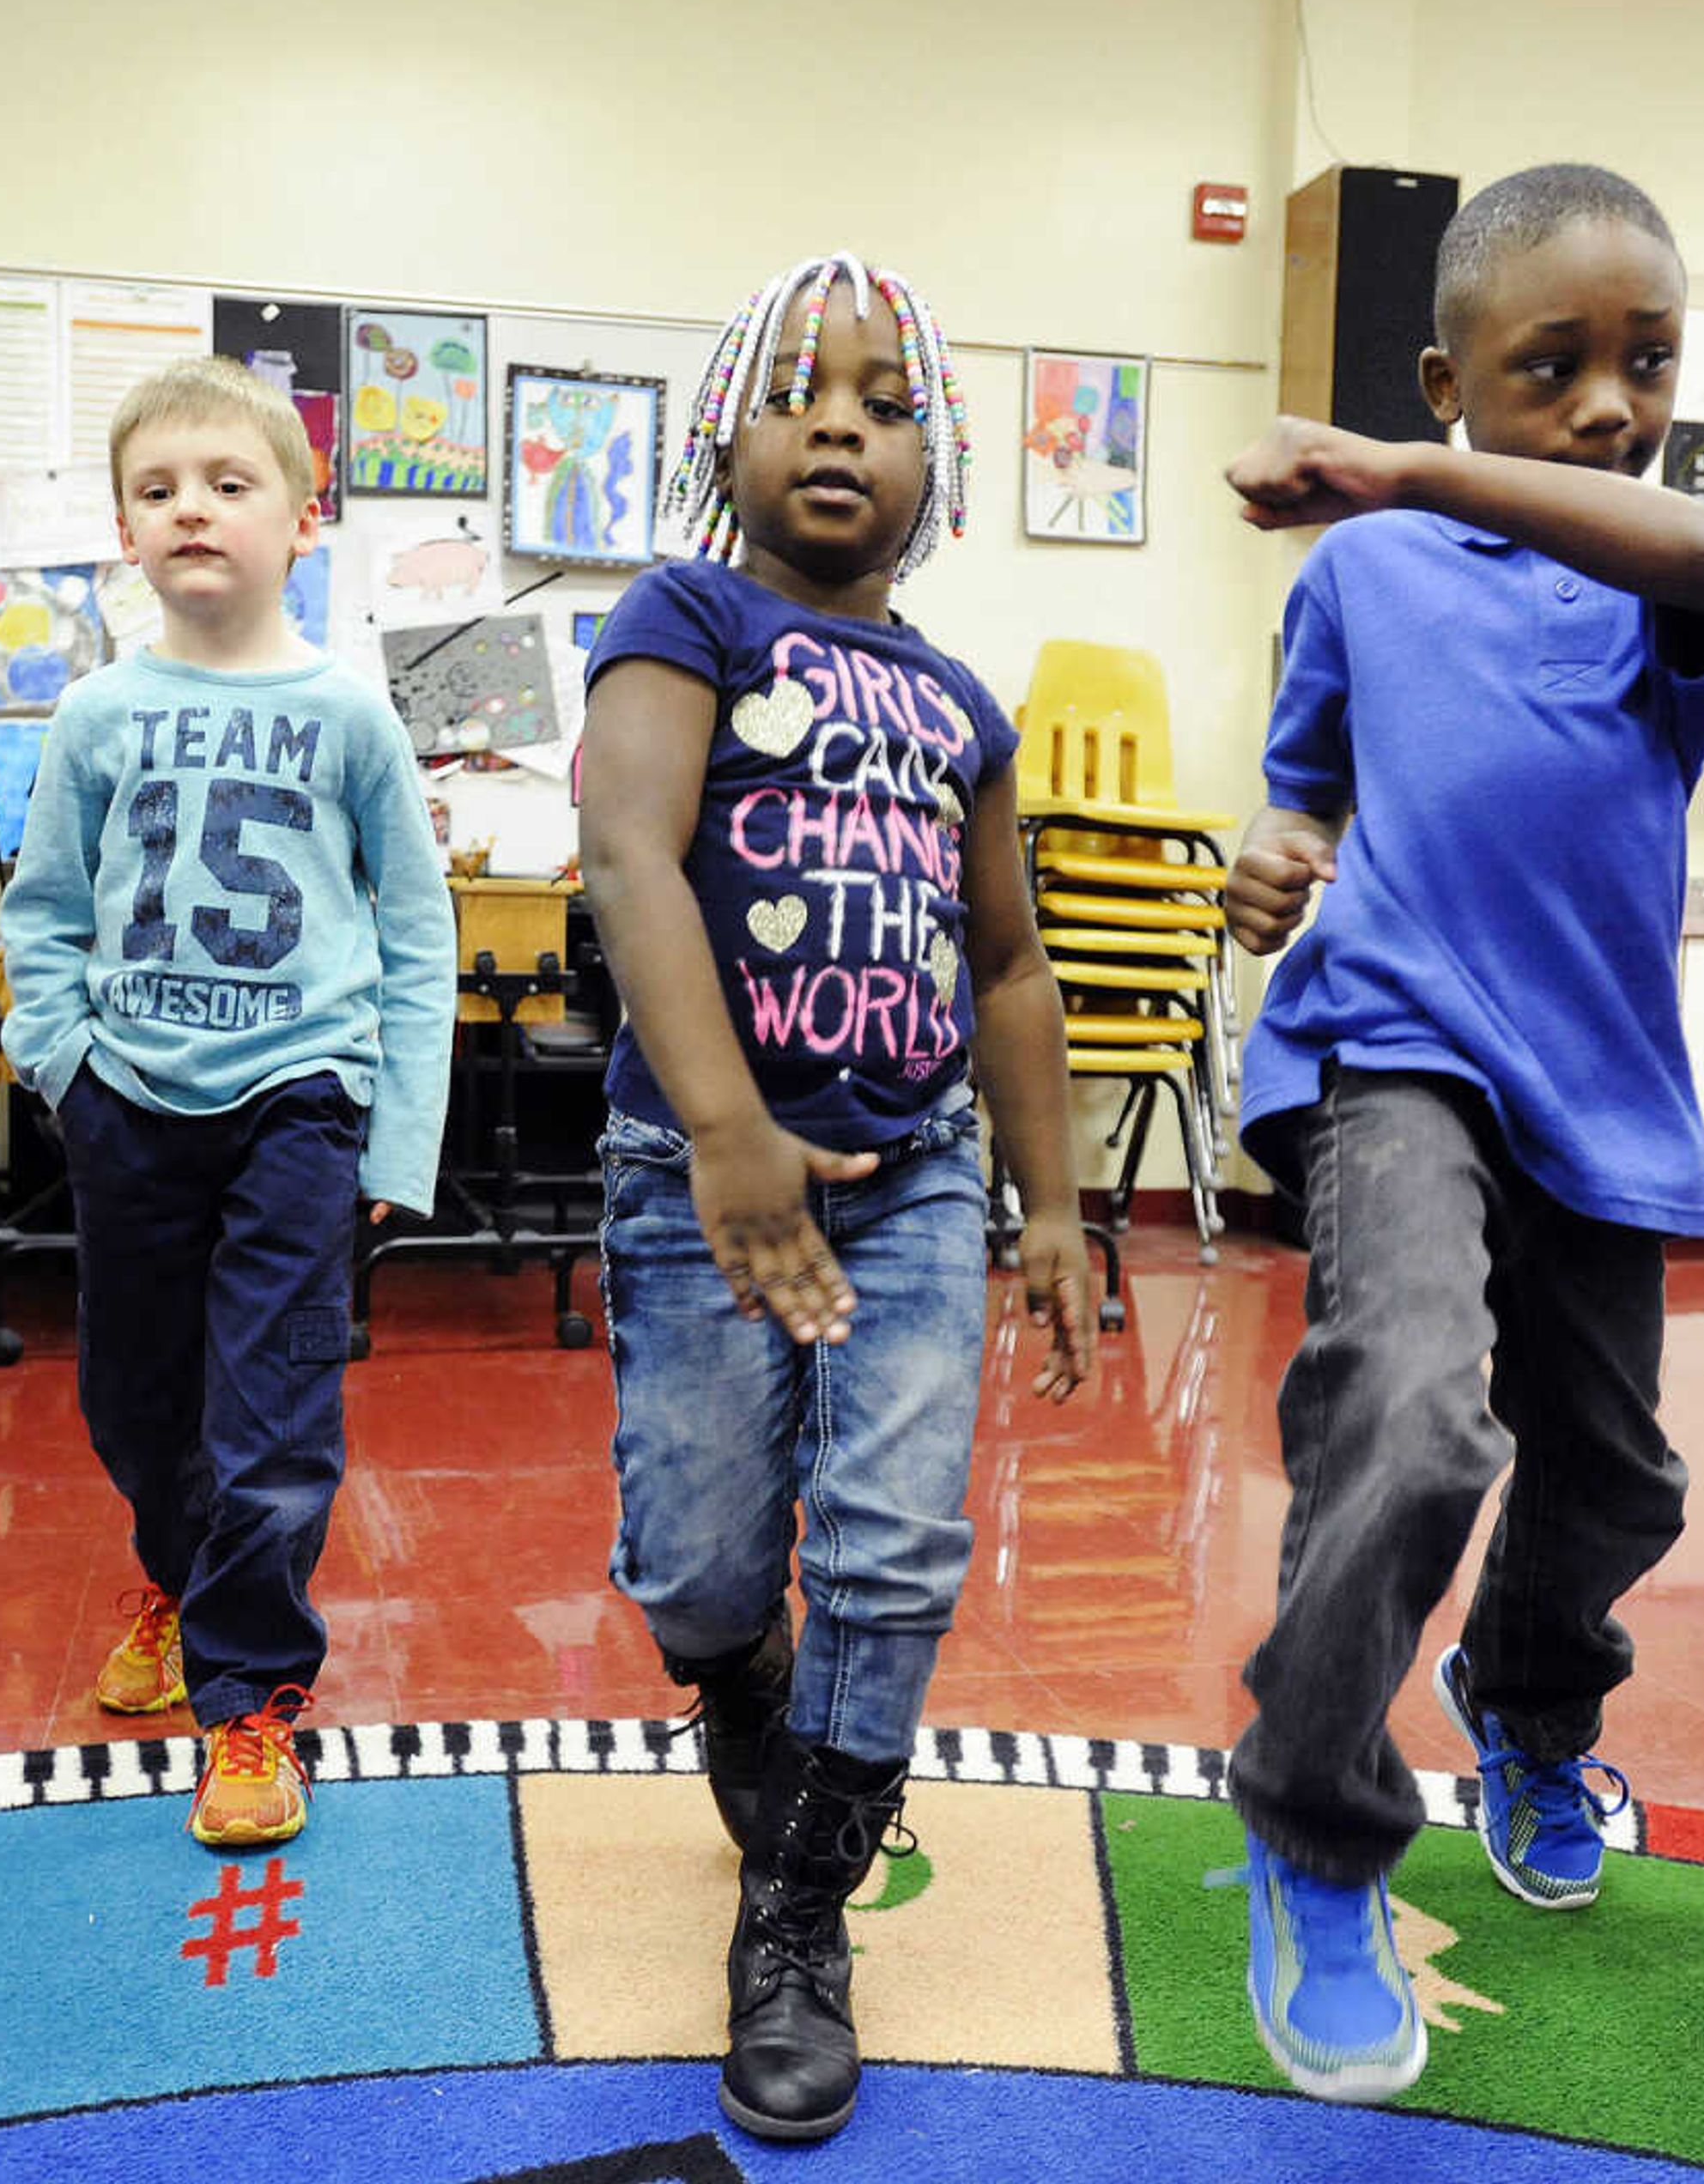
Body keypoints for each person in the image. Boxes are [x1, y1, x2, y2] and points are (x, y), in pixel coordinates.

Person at [1215, 164, 1704, 2103]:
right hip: (1395, 1051)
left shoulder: (1684, 568)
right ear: (1456, 371)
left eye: (1650, 362)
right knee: (1415, 1414)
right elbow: (1299, 796)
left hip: (1606, 1088)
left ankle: (1529, 1702)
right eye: (1557, 366)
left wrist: (1408, 464)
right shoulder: (1360, 576)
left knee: (1616, 1482)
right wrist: (1273, 856)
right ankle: (1313, 1819)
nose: (1616, 402)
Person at [577, 251, 1094, 2141]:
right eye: (804, 391)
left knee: (891, 1541)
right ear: (727, 428)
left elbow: (1015, 966)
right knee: (704, 1560)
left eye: (885, 402)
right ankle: (745, 1693)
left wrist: (1054, 1202)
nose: (841, 425)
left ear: (934, 467)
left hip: (915, 1184)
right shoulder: (687, 614)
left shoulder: (960, 698)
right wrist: (725, 1129)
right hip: (702, 1178)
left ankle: (799, 1910)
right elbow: (629, 846)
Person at [0, 356, 452, 1852]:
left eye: (228, 483)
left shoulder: (349, 714)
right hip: (129, 1103)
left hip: (297, 1109)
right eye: (157, 489)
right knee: (134, 1401)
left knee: (272, 1416)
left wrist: (394, 1132)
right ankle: (177, 1575)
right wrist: (60, 1064)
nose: (192, 508)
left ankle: (250, 1698)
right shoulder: (94, 714)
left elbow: (416, 931)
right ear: (124, 531)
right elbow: (47, 905)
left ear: (301, 523)